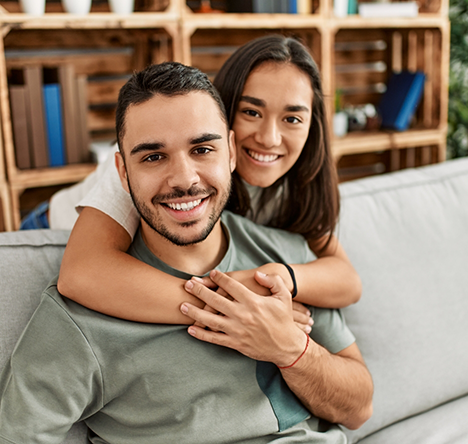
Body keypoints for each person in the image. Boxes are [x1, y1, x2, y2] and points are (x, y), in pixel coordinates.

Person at [0, 62, 373, 443]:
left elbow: (358, 407)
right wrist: (225, 304)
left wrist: (291, 349)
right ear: (122, 172)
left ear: (230, 151)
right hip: (50, 215)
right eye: (153, 157)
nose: (184, 179)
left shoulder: (284, 249)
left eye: (202, 148)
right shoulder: (80, 313)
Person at [53, 35, 362, 325]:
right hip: (53, 226)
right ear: (221, 112)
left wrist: (278, 277)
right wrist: (238, 307)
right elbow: (81, 272)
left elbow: (347, 280)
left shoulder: (290, 185)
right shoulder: (145, 168)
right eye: (251, 112)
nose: (269, 138)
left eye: (292, 119)